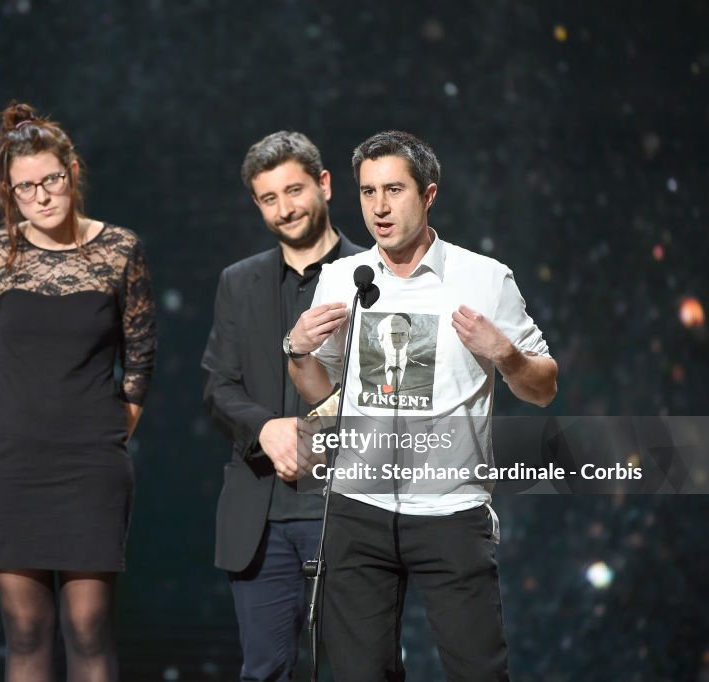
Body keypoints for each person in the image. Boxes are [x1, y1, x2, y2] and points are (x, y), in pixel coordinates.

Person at [287, 131, 558, 681]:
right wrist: (295, 352)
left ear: (429, 194)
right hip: (356, 511)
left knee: (478, 672)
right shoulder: (343, 279)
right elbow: (326, 399)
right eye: (367, 193)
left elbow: (543, 387)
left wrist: (504, 354)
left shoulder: (483, 278)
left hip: (451, 514)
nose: (379, 208)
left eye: (394, 190)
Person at [0, 101, 155, 682]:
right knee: (24, 631)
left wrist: (104, 429)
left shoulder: (120, 249)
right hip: (10, 458)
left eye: (50, 179)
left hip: (89, 460)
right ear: (10, 191)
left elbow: (141, 352)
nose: (42, 196)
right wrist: (22, 420)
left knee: (88, 628)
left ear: (72, 171)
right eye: (25, 188)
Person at [201, 131, 364, 681]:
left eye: (294, 191)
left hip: (350, 510)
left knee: (359, 670)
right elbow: (218, 386)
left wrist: (321, 432)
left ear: (324, 184)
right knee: (265, 671)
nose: (285, 209)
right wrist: (266, 428)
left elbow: (395, 394)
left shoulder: (376, 277)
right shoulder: (238, 282)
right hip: (261, 520)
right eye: (269, 199)